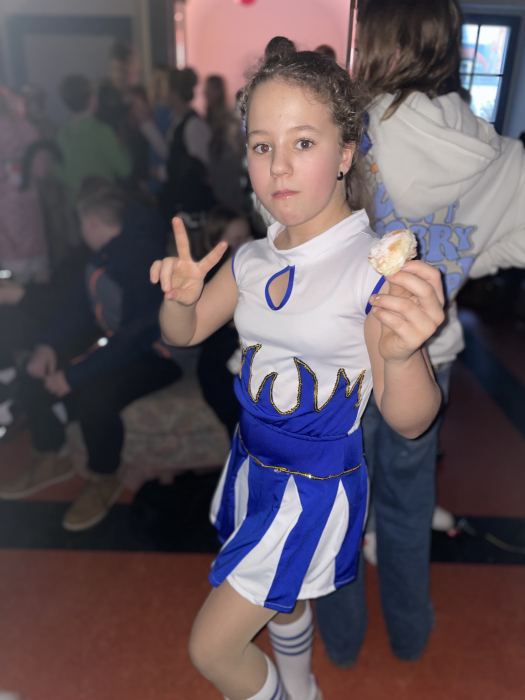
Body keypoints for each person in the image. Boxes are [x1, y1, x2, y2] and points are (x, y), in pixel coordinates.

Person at [151, 40, 445, 700]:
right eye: (261, 145)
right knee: (284, 603)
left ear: (345, 153)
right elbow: (183, 333)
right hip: (251, 462)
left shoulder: (372, 268)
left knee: (212, 648)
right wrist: (180, 299)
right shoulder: (253, 257)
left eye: (303, 143)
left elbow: (410, 420)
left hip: (311, 487)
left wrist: (403, 354)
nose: (278, 165)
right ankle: (300, 683)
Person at [315, 0, 525, 668]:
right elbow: (511, 239)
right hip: (428, 358)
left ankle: (341, 638)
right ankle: (410, 631)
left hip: (343, 358)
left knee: (338, 503)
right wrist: (452, 267)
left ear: (378, 39)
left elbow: (292, 225)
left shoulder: (351, 130)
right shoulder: (494, 149)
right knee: (409, 501)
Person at [0, 178, 181, 531]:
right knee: (37, 367)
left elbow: (135, 337)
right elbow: (79, 307)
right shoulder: (105, 251)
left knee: (96, 395)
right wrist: (49, 345)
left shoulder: (142, 256)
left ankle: (104, 476)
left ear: (92, 222)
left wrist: (74, 376)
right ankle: (49, 455)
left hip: (162, 352)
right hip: (122, 340)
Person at [197, 205, 253, 438]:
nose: (245, 244)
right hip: (221, 355)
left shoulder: (261, 265)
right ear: (215, 244)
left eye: (247, 236)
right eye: (236, 239)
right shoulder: (207, 278)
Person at [56, 75, 132, 207]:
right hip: (103, 205)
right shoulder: (101, 131)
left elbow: (59, 173)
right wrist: (121, 144)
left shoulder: (60, 134)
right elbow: (125, 169)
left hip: (77, 205)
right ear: (93, 99)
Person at [0, 88, 48, 284]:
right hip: (29, 199)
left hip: (5, 204)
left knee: (11, 260)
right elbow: (42, 168)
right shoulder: (25, 126)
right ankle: (39, 287)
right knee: (34, 250)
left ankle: (14, 289)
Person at [160, 68, 215, 221]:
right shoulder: (175, 119)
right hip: (179, 199)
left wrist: (164, 172)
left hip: (192, 204)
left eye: (164, 89)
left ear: (174, 93)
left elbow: (199, 168)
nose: (161, 94)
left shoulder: (194, 125)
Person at [205, 75, 246, 209]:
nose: (205, 93)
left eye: (209, 89)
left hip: (227, 177)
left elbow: (237, 151)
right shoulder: (207, 119)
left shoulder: (229, 122)